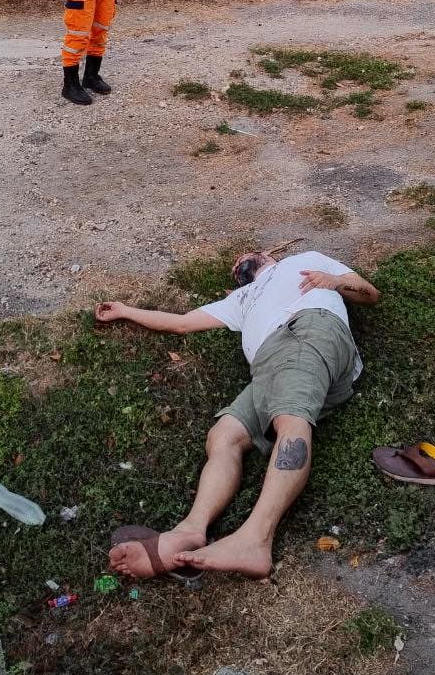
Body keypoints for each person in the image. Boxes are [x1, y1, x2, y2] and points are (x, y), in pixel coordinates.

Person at [96, 247, 379, 580]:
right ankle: (191, 529)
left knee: (290, 419)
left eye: (246, 256)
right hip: (268, 364)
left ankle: (255, 540)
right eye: (235, 267)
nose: (239, 264)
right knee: (224, 435)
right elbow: (182, 324)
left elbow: (371, 293)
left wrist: (334, 282)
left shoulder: (305, 261)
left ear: (268, 254)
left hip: (308, 332)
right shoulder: (243, 298)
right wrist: (126, 310)